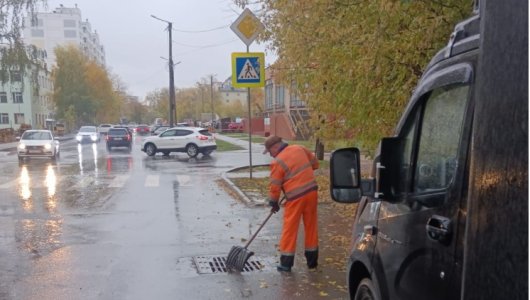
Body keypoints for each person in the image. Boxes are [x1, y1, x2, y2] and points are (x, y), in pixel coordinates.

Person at [263, 135, 319, 272]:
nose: (271, 155)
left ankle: (286, 264)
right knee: (311, 226)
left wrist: (273, 202)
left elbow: (275, 186)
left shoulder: (278, 162)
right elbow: (315, 164)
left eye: (270, 152)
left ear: (275, 147)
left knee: (290, 228)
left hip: (295, 198)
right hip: (312, 193)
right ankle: (312, 262)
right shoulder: (300, 148)